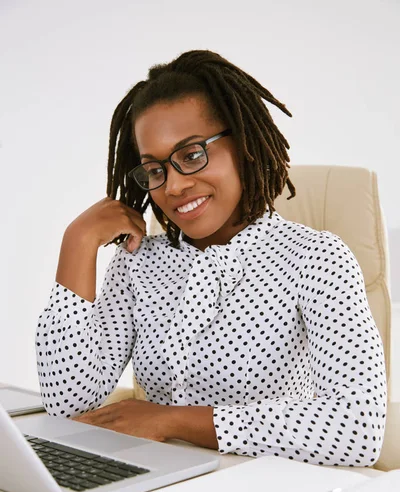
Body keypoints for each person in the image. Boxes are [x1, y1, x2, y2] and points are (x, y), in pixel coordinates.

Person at [36, 50, 387, 467]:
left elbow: (358, 428)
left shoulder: (316, 258)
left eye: (192, 154)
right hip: (154, 482)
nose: (175, 185)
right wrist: (77, 242)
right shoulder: (138, 262)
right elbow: (66, 401)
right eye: (154, 169)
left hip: (266, 487)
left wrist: (173, 422)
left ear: (242, 143)